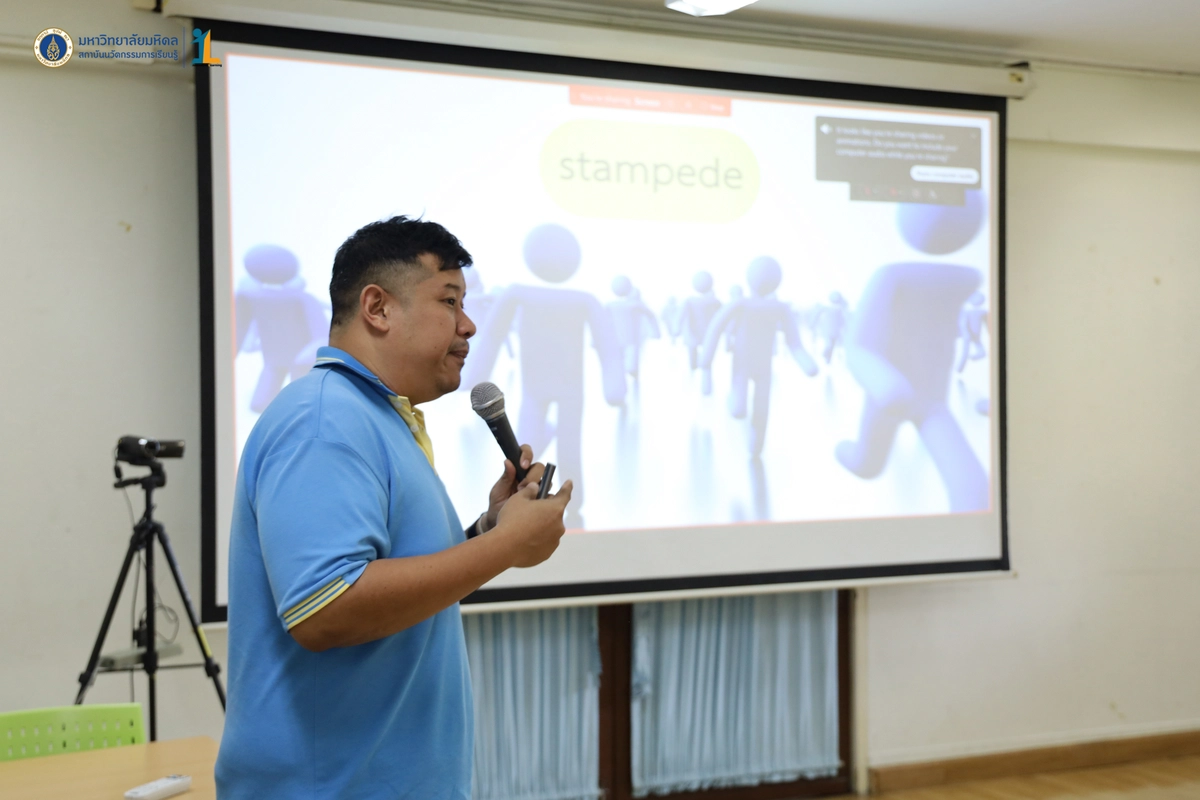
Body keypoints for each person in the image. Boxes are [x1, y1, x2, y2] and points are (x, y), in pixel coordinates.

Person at [215, 216, 573, 799]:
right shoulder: (324, 419)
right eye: (449, 301)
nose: (468, 325)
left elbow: (396, 578)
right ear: (377, 308)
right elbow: (325, 610)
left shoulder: (375, 416)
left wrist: (489, 530)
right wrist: (507, 546)